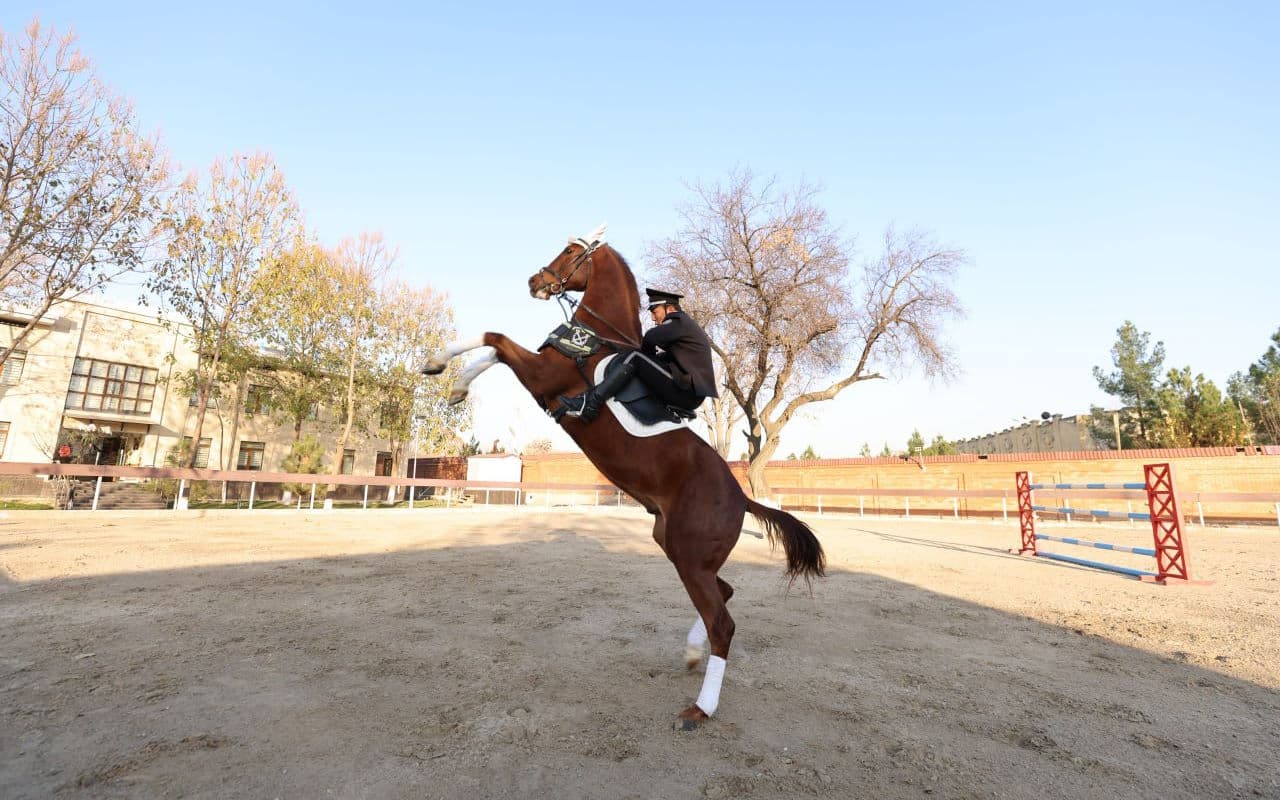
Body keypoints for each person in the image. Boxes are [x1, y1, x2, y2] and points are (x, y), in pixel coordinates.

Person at [558, 287, 719, 422]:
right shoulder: (682, 328)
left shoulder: (678, 320)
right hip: (689, 392)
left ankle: (591, 403)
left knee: (635, 357)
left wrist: (643, 356)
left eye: (655, 312)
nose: (653, 318)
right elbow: (663, 358)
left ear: (669, 309)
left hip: (686, 393)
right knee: (638, 358)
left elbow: (650, 337)